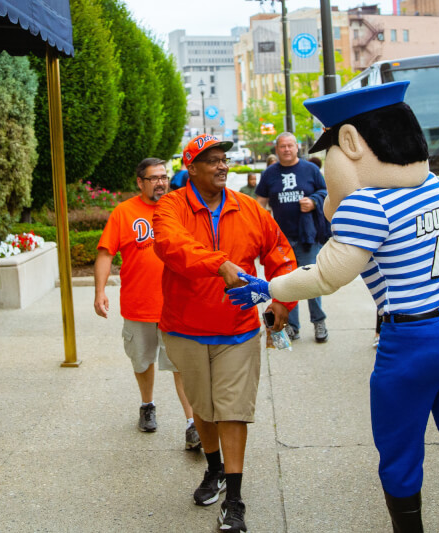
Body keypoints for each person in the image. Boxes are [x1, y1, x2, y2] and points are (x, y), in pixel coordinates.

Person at [227, 81, 439, 532]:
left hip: (410, 340)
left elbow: (327, 274)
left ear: (352, 143)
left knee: (399, 453)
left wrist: (267, 287)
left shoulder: (369, 204)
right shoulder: (431, 187)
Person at [153, 133, 297, 533]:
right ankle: (213, 468)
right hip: (185, 328)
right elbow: (170, 245)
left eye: (223, 159)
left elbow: (280, 253)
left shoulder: (248, 208)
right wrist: (219, 264)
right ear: (191, 168)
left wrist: (284, 298)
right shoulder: (172, 206)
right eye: (211, 160)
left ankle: (234, 499)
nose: (221, 166)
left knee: (232, 411)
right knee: (203, 408)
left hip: (238, 329)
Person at [94, 157, 201, 451]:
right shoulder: (124, 212)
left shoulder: (181, 208)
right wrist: (100, 291)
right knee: (142, 361)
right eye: (153, 178)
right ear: (140, 182)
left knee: (181, 365)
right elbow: (105, 253)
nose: (160, 183)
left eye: (163, 177)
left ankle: (193, 424)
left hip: (176, 305)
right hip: (139, 303)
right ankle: (147, 405)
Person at [255, 132, 330, 343]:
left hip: (307, 238)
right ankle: (291, 327)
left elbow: (326, 191)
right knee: (288, 284)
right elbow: (260, 202)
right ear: (276, 149)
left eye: (290, 146)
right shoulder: (269, 173)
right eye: (282, 146)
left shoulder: (311, 170)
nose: (286, 149)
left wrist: (314, 201)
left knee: (311, 282)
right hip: (280, 241)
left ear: (297, 148)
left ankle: (319, 322)